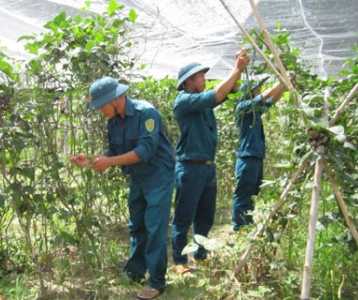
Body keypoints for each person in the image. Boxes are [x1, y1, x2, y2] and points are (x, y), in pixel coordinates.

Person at [68, 77, 174, 300]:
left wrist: (110, 162)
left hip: (158, 177)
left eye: (101, 106)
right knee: (136, 225)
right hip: (137, 178)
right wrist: (91, 159)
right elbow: (113, 151)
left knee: (154, 227)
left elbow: (144, 151)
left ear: (115, 99)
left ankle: (156, 281)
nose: (99, 111)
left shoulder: (147, 113)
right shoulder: (113, 122)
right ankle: (134, 272)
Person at [170, 49, 250, 276]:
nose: (204, 79)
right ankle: (179, 260)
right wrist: (236, 69)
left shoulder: (202, 104)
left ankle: (200, 254)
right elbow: (216, 94)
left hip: (206, 167)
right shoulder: (184, 101)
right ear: (189, 81)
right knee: (183, 217)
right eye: (201, 76)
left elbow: (229, 91)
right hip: (189, 168)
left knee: (205, 215)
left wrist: (239, 69)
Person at [232, 78, 286, 231]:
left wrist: (283, 87)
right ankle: (239, 226)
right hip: (247, 157)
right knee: (243, 193)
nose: (260, 88)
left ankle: (247, 222)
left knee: (253, 192)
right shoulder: (243, 107)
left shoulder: (255, 109)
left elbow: (271, 100)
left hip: (256, 156)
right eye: (257, 87)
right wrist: (281, 81)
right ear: (249, 92)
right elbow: (266, 96)